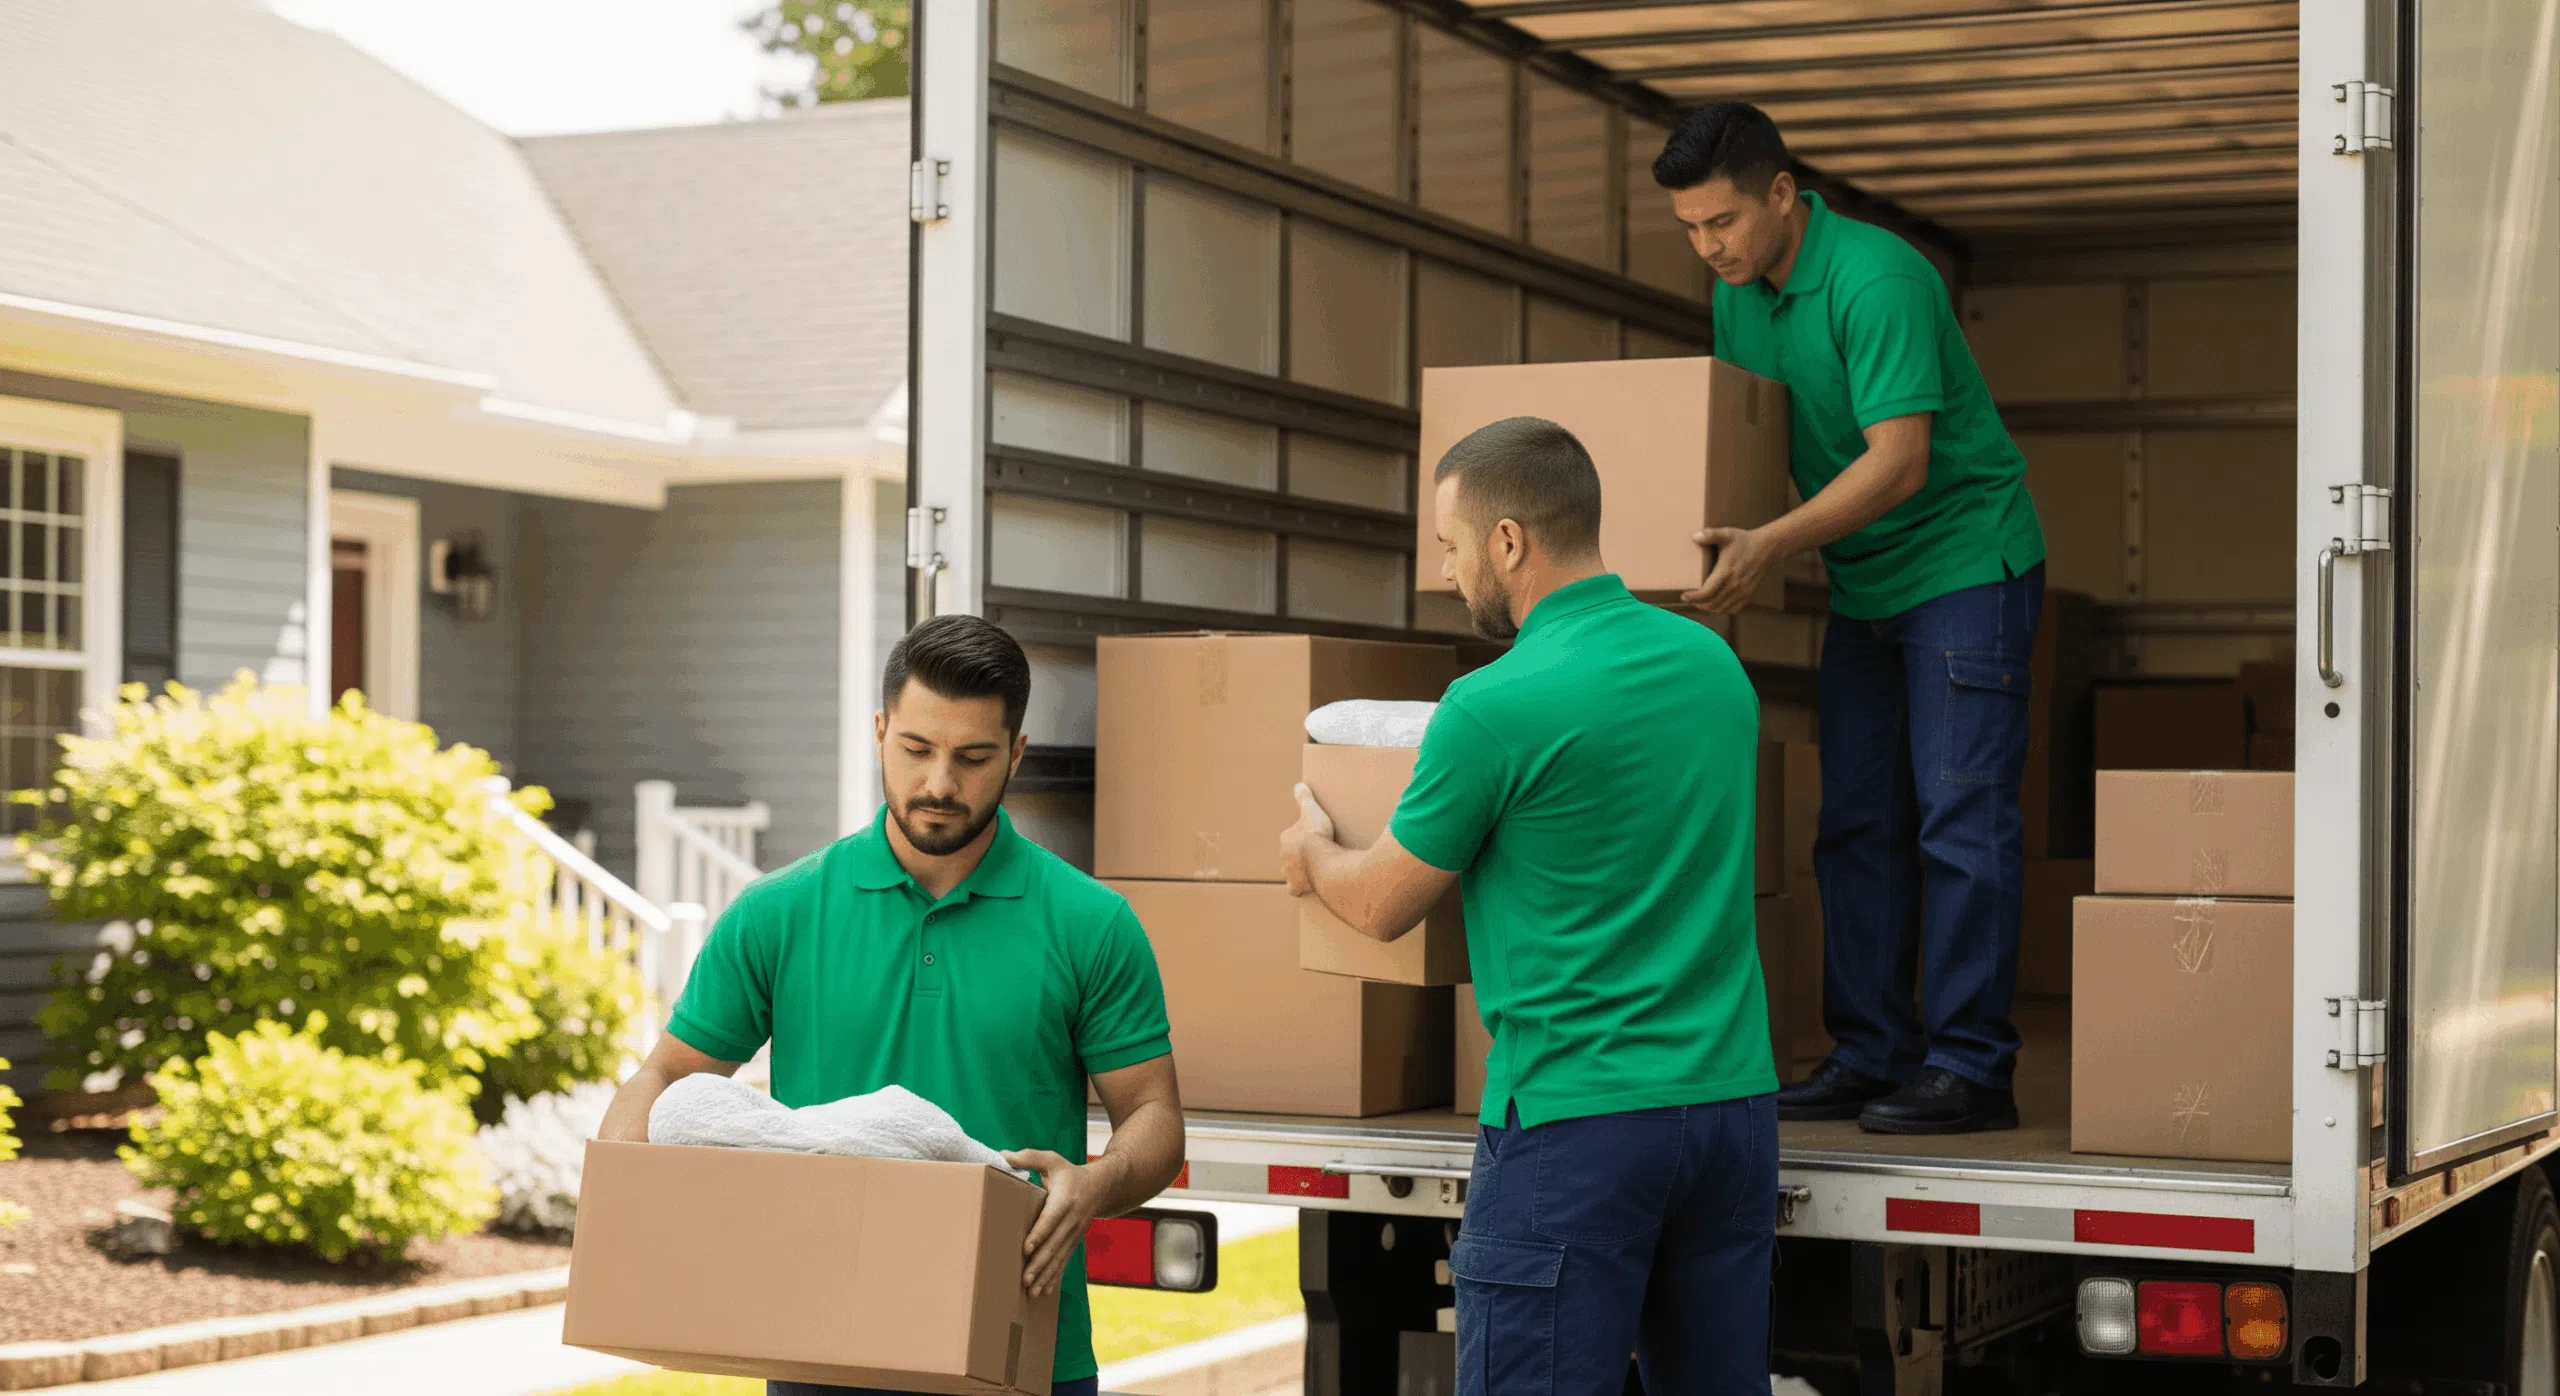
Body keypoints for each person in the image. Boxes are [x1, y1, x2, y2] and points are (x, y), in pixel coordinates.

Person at [1281, 417, 1778, 1396]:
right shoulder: (1714, 669)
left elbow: (1382, 903)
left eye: (1450, 544)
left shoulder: (1491, 706)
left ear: (1508, 541)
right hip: (1728, 1112)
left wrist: (1312, 856)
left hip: (1575, 1120)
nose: (1445, 568)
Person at [597, 614, 1186, 1396]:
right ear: (879, 732)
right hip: (822, 1349)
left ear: (1015, 754)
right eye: (916, 749)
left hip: (1019, 1354)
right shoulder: (780, 912)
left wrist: (1096, 1183)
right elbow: (667, 1077)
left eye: (972, 758)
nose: (939, 783)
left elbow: (1154, 1116)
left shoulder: (1090, 923)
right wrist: (624, 1213)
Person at [1654, 100, 2048, 1136]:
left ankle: (1970, 1066)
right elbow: (1744, 437)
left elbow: (1900, 458)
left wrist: (1769, 547)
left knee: (1958, 818)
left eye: (1724, 222)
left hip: (1965, 560)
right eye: (1690, 230)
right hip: (1866, 582)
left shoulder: (1877, 278)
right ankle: (1872, 1051)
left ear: (1783, 194)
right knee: (1854, 824)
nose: (1709, 248)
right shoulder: (1737, 294)